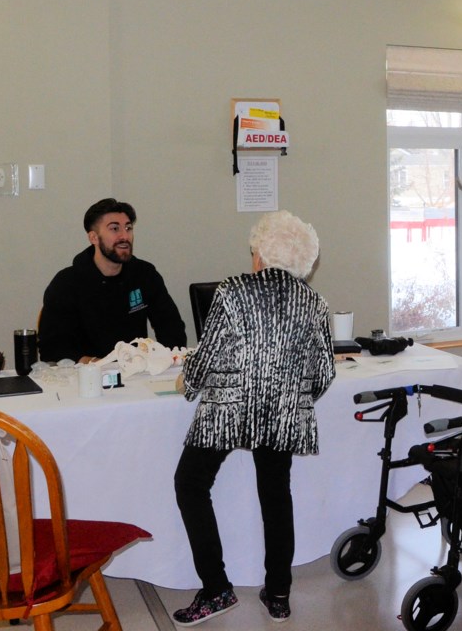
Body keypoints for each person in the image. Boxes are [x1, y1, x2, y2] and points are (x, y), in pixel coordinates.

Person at [172, 210, 336, 626]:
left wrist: (187, 383)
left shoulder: (231, 291)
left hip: (228, 408)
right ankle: (278, 594)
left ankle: (216, 589)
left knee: (190, 483)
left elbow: (206, 357)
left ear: (260, 254)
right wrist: (293, 397)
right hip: (281, 414)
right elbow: (325, 372)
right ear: (304, 260)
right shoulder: (314, 301)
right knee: (276, 494)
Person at [38, 198, 187, 364]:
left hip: (136, 374)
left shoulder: (144, 274)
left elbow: (172, 328)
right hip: (85, 377)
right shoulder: (66, 283)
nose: (125, 236)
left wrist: (161, 360)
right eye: (115, 229)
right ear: (94, 237)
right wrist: (100, 365)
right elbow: (52, 348)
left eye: (128, 228)